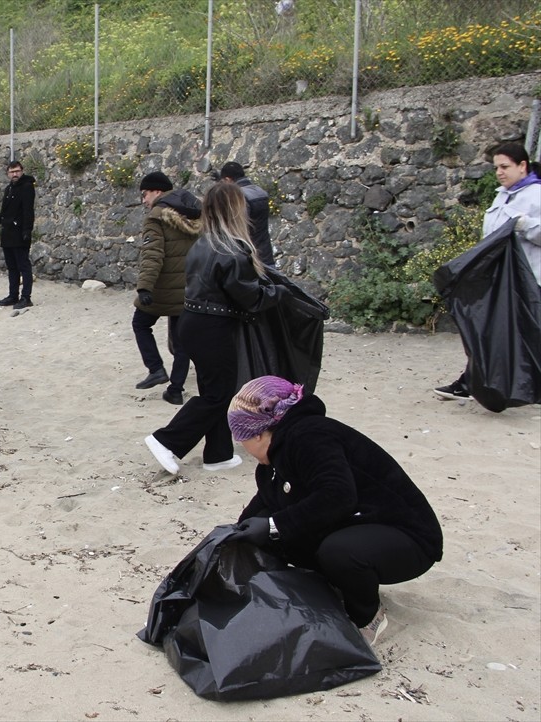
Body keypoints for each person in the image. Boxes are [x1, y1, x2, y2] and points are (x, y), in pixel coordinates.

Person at [226, 375, 443, 646]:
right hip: (359, 524)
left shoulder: (311, 436)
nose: (242, 446)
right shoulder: (272, 461)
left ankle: (367, 617)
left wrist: (273, 525)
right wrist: (238, 531)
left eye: (241, 438)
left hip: (407, 538)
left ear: (257, 433)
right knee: (268, 533)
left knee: (336, 552)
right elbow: (267, 502)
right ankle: (332, 589)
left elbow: (338, 496)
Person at [144, 182, 286, 475]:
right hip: (214, 326)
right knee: (218, 394)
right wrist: (280, 293)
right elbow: (249, 296)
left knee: (216, 387)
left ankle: (218, 453)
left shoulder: (203, 243)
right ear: (236, 209)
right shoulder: (233, 248)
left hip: (191, 322)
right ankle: (166, 440)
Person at [435, 142, 541, 400]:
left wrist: (525, 224)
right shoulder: (502, 195)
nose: (500, 173)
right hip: (501, 280)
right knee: (491, 330)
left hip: (529, 279)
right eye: (496, 168)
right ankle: (474, 382)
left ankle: (477, 383)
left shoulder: (535, 195)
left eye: (505, 167)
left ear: (522, 166)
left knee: (518, 335)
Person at [133, 171, 201, 406]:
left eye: (145, 194)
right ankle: (176, 389)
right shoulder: (194, 212)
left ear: (157, 191)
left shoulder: (156, 217)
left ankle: (156, 369)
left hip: (163, 288)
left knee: (140, 323)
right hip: (190, 287)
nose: (144, 199)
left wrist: (144, 288)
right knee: (182, 341)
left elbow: (152, 255)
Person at [0, 160, 36, 309]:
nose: (15, 174)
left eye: (17, 171)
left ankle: (26, 297)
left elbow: (28, 211)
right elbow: (4, 213)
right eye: (12, 172)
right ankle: (13, 296)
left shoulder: (27, 187)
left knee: (24, 267)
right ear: (8, 174)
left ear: (22, 171)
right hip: (7, 233)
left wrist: (27, 230)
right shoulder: (9, 189)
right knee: (12, 267)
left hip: (20, 233)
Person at [219, 162, 275, 266]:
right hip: (265, 254)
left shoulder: (238, 196)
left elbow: (238, 229)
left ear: (227, 179)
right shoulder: (260, 191)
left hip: (249, 259)